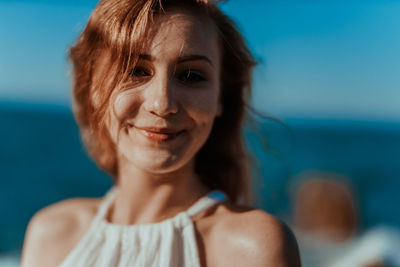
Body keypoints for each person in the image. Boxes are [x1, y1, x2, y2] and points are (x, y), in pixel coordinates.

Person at [20, 0, 301, 266]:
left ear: (220, 99)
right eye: (135, 70)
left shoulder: (252, 248)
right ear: (93, 86)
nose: (162, 104)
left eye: (191, 76)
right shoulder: (52, 233)